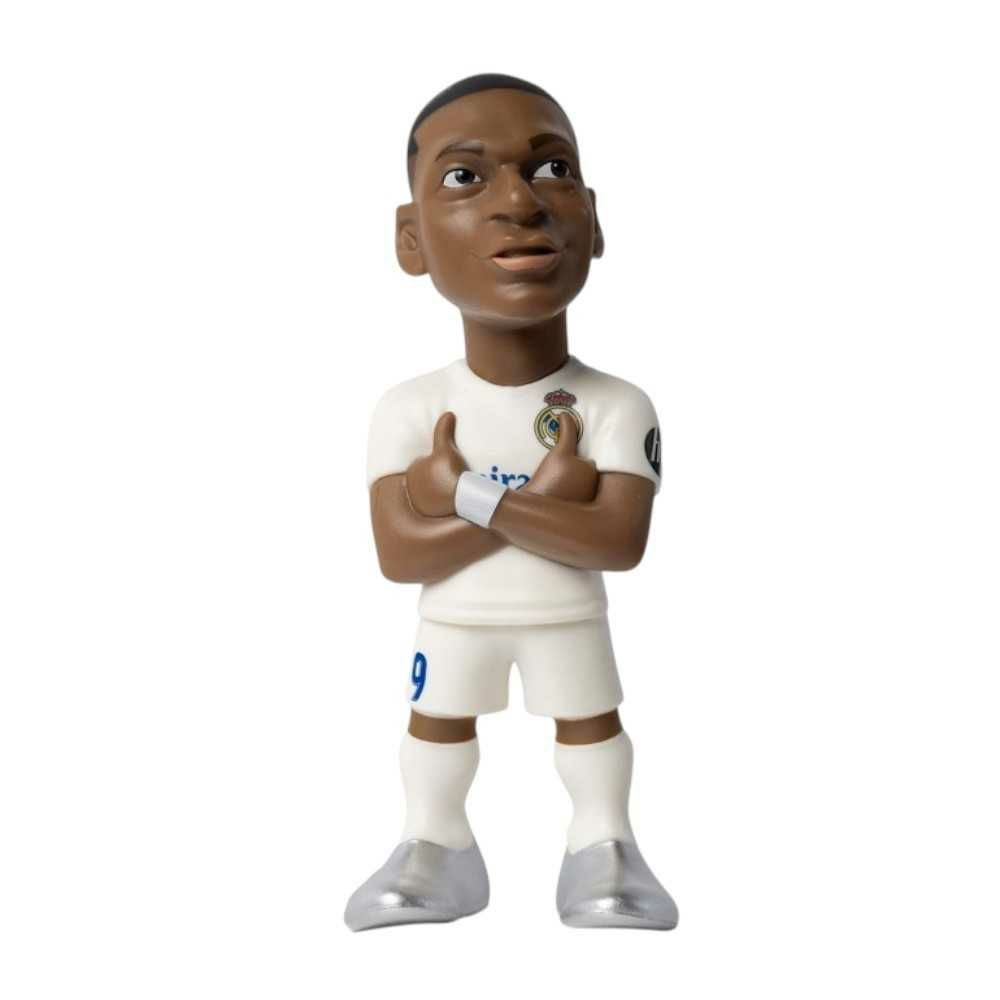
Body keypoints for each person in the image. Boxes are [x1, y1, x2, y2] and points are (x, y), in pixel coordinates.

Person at [344, 74, 678, 931]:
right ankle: (434, 842)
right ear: (412, 239)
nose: (520, 204)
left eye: (552, 169)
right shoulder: (409, 408)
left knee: (589, 724)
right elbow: (399, 554)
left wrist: (462, 494)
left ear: (592, 220)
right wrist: (540, 501)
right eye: (465, 177)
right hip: (456, 620)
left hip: (568, 614)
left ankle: (604, 842)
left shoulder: (617, 405)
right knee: (436, 724)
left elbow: (616, 540)